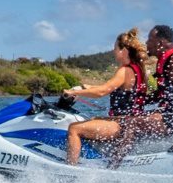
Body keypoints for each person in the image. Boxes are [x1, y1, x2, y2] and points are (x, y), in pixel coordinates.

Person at [107, 25, 173, 168]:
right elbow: (161, 94)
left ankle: (113, 166)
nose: (146, 43)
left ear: (160, 43)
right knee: (130, 117)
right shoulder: (166, 62)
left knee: (132, 123)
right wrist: (136, 100)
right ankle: (131, 155)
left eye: (149, 40)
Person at [62, 28, 148, 165]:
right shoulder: (138, 69)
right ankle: (89, 160)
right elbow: (110, 87)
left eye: (115, 48)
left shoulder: (125, 70)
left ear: (124, 50)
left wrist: (73, 93)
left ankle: (71, 168)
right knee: (93, 119)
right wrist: (87, 87)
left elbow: (102, 92)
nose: (113, 51)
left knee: (74, 128)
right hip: (130, 123)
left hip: (121, 125)